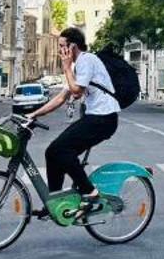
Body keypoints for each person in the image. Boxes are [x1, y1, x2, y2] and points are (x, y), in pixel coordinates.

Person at [25, 27, 119, 222]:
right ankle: (55, 202)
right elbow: (61, 98)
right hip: (95, 117)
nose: (59, 51)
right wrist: (34, 114)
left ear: (72, 46)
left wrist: (66, 67)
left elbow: (76, 92)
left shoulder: (87, 61)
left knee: (63, 151)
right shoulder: (78, 66)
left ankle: (90, 193)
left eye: (61, 46)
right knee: (52, 151)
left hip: (104, 118)